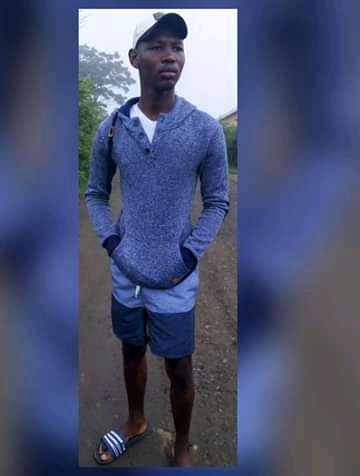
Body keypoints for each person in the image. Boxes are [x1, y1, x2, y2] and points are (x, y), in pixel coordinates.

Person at [85, 11, 229, 467]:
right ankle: (135, 422)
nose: (170, 56)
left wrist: (188, 254)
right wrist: (112, 244)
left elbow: (217, 202)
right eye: (156, 46)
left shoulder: (205, 129)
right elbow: (95, 193)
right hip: (125, 274)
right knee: (131, 351)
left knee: (180, 367)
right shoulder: (112, 128)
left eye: (177, 47)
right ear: (134, 58)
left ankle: (181, 446)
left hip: (175, 278)